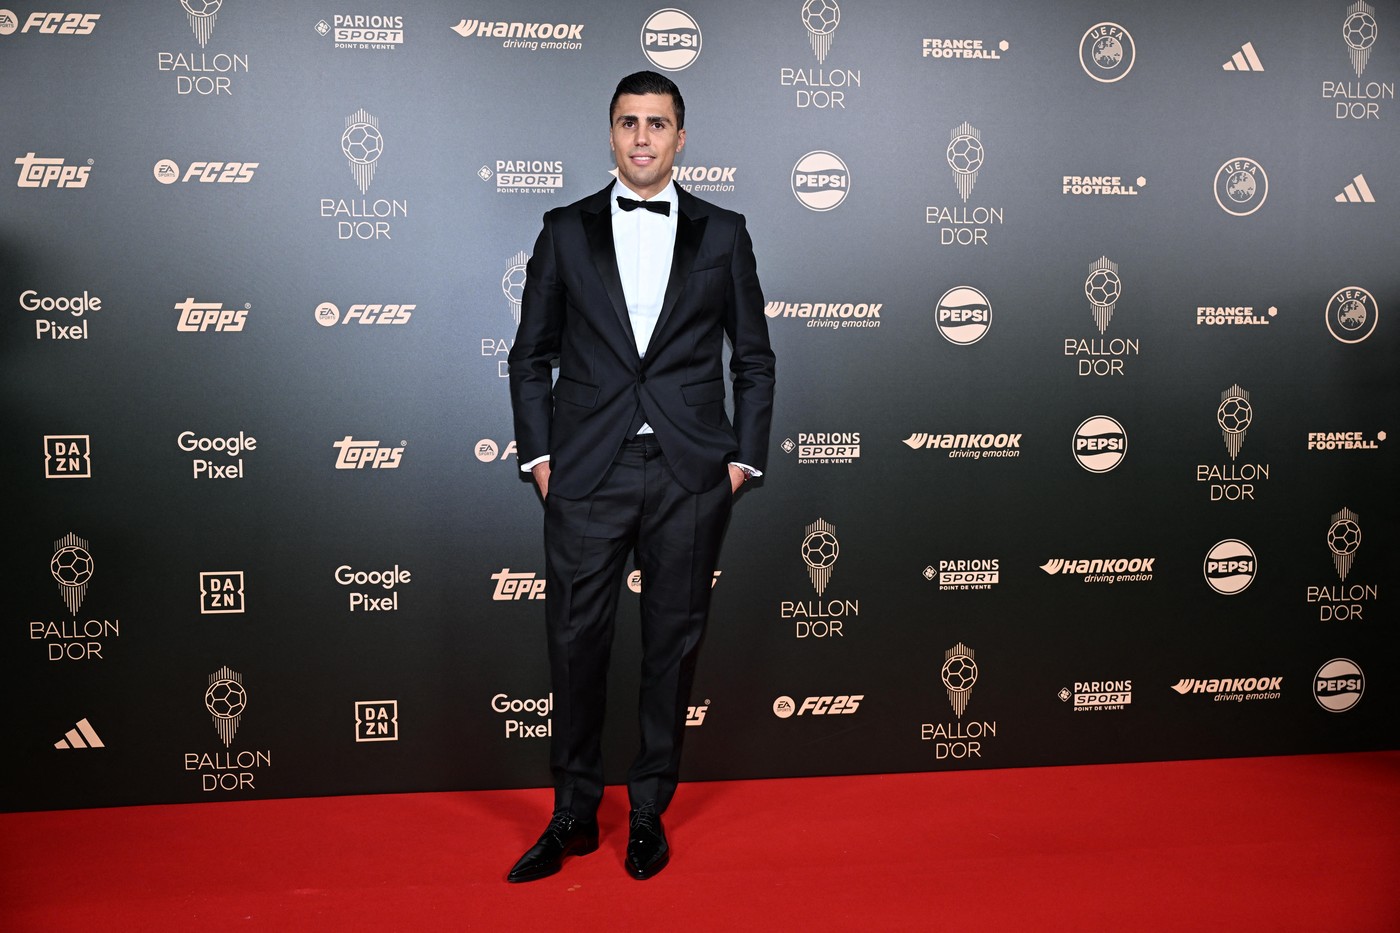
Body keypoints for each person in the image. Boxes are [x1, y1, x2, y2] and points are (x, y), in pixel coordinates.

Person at [506, 70, 775, 882]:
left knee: (672, 648)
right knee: (574, 645)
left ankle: (649, 810)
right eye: (629, 122)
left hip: (691, 474)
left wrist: (741, 460)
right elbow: (531, 356)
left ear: (680, 137)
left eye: (658, 123)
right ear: (612, 133)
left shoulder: (724, 233)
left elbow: (754, 359)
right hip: (588, 472)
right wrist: (541, 458)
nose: (643, 137)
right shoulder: (564, 229)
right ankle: (574, 814)